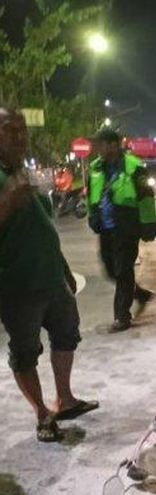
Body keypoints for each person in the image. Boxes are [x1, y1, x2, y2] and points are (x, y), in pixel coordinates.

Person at [0, 107, 98, 442]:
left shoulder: (24, 175)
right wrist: (6, 203)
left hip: (53, 279)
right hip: (18, 286)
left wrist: (64, 269)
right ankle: (42, 414)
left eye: (22, 130)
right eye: (10, 129)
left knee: (67, 335)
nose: (20, 137)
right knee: (25, 352)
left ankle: (64, 399)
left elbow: (44, 229)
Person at [87, 128, 156, 332]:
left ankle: (122, 317)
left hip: (127, 226)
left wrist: (148, 225)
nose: (98, 148)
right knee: (110, 269)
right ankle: (140, 295)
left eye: (101, 144)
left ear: (113, 145)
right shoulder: (96, 168)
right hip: (106, 227)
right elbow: (91, 194)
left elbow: (146, 198)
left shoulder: (134, 167)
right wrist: (92, 215)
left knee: (123, 270)